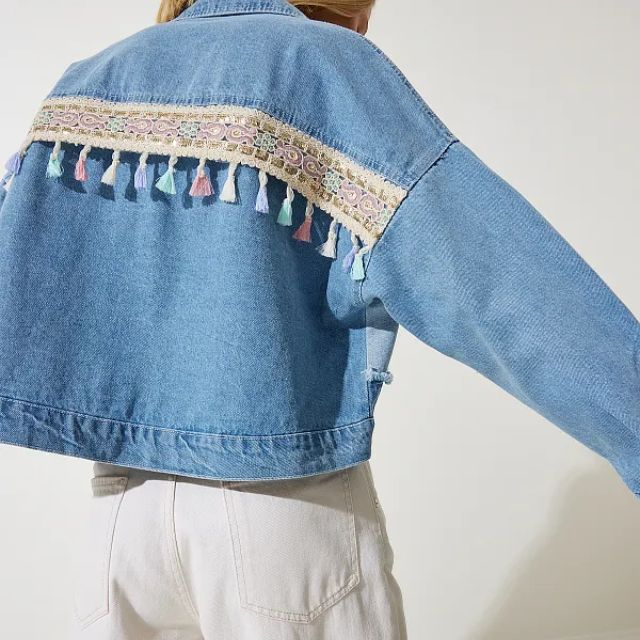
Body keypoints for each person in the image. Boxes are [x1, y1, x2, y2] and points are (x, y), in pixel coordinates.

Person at [0, 0, 638, 638]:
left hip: (120, 521)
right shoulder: (320, 65)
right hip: (283, 516)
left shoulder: (85, 82)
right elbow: (485, 273)